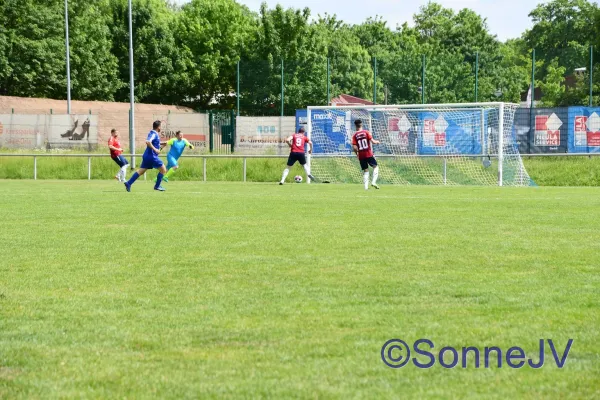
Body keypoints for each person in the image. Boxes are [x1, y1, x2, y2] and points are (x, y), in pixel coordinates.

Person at [124, 120, 167, 192]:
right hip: (151, 156)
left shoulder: (154, 134)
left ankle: (128, 183)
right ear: (158, 127)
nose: (161, 128)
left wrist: (162, 145)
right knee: (163, 170)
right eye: (161, 127)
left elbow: (156, 144)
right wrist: (155, 149)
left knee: (141, 171)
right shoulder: (153, 133)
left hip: (147, 156)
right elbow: (148, 142)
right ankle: (157, 186)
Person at [351, 119, 380, 190]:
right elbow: (372, 141)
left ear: (355, 125)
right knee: (375, 167)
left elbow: (354, 147)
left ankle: (366, 188)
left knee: (366, 171)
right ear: (361, 124)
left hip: (361, 155)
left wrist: (357, 154)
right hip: (368, 154)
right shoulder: (366, 132)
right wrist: (377, 141)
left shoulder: (354, 135)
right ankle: (373, 182)